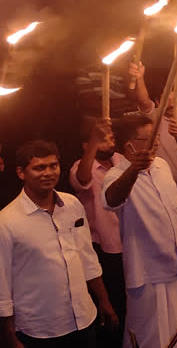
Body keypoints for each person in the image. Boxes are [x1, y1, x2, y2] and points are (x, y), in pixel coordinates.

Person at [0, 140, 118, 347]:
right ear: (21, 173)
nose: (48, 173)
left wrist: (104, 300)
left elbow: (87, 256)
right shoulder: (7, 221)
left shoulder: (71, 204)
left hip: (84, 318)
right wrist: (8, 336)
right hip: (39, 330)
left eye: (53, 166)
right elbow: (2, 284)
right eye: (39, 168)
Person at [103, 116, 177, 348]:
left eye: (156, 136)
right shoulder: (116, 176)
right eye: (147, 139)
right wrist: (134, 169)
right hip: (147, 272)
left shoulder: (162, 166)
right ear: (128, 146)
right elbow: (112, 199)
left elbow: (175, 213)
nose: (155, 143)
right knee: (147, 334)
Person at [69, 119, 127, 346]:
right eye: (104, 139)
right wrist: (95, 139)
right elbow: (82, 180)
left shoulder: (122, 160)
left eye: (112, 137)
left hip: (129, 242)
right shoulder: (81, 166)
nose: (111, 142)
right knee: (111, 309)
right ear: (88, 144)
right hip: (103, 247)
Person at [130, 61, 177, 187]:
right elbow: (144, 102)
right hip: (164, 184)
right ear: (157, 101)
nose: (171, 104)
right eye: (166, 99)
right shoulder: (154, 118)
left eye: (175, 99)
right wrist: (140, 78)